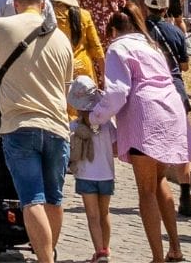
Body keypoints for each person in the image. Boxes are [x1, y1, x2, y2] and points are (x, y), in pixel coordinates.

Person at [0, 0, 74, 263]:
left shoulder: (0, 26)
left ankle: (46, 260)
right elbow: (65, 87)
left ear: (16, 3)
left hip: (19, 124)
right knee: (54, 199)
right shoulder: (61, 38)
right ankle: (49, 255)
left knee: (32, 198)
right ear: (43, 4)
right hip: (57, 125)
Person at [89, 4, 191, 263]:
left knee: (146, 190)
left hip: (145, 115)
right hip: (171, 110)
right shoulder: (151, 45)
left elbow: (117, 92)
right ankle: (175, 248)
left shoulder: (118, 47)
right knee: (160, 181)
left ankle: (158, 257)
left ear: (113, 29)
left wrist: (96, 116)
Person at [141, 0, 191, 218]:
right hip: (175, 88)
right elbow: (184, 65)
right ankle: (185, 193)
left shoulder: (140, 32)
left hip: (150, 90)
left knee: (151, 143)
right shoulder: (176, 32)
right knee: (180, 141)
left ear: (146, 7)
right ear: (165, 8)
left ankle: (155, 189)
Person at [68, 76, 116, 263]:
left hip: (86, 176)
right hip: (106, 174)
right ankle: (106, 248)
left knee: (92, 215)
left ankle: (99, 251)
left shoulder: (74, 127)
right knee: (104, 213)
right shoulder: (106, 124)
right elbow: (116, 147)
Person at [49, 0, 104, 89]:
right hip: (84, 69)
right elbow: (96, 47)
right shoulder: (84, 15)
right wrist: (104, 75)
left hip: (59, 68)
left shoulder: (49, 17)